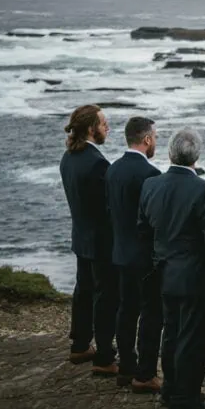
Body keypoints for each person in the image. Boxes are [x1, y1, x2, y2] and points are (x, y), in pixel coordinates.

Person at [137, 129, 205, 409]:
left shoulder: (150, 185)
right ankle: (186, 398)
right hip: (195, 275)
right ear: (195, 157)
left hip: (163, 272)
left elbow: (143, 229)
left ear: (170, 153)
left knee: (171, 333)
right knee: (193, 338)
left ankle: (170, 389)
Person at [59, 104, 119, 376]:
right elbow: (108, 207)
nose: (107, 127)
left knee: (83, 291)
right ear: (91, 128)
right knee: (105, 297)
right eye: (103, 123)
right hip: (100, 241)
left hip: (81, 237)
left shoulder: (68, 158)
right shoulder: (97, 163)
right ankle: (105, 357)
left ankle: (80, 344)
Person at [105, 116, 163, 393]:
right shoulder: (150, 175)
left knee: (126, 311)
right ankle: (146, 373)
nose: (156, 143)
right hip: (145, 257)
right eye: (155, 138)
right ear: (147, 139)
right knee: (151, 315)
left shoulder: (112, 170)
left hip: (120, 254)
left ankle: (126, 367)